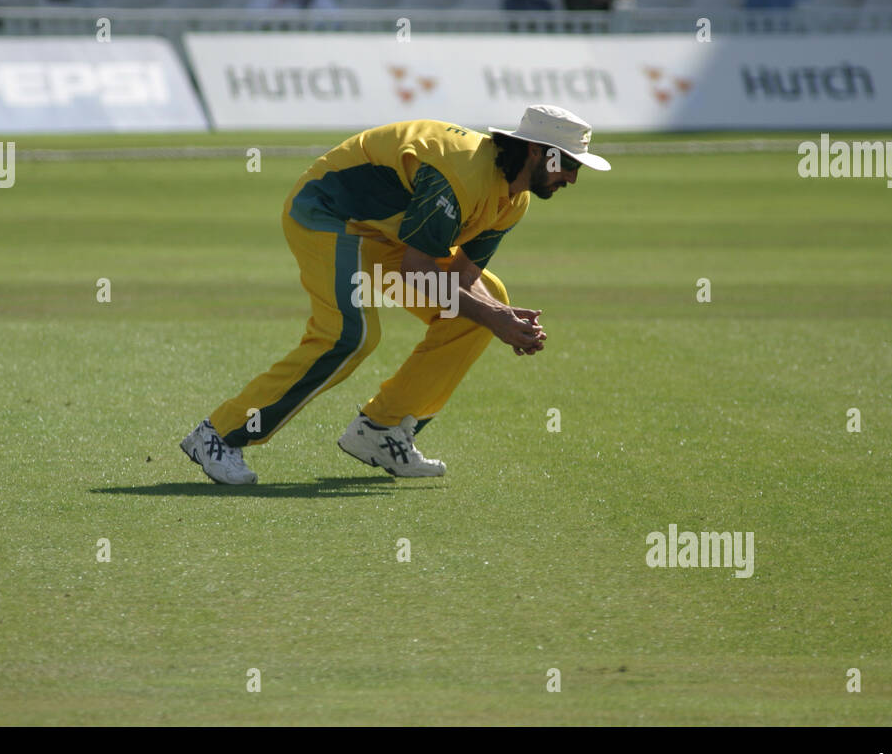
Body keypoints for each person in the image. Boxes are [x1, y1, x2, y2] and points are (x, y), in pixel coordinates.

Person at [180, 105, 612, 485]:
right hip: (326, 214)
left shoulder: (513, 200)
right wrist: (495, 318)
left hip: (385, 237)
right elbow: (419, 270)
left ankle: (381, 430)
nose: (573, 177)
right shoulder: (461, 174)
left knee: (485, 299)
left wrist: (500, 314)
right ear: (536, 151)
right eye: (569, 163)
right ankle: (217, 434)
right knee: (348, 337)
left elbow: (460, 278)